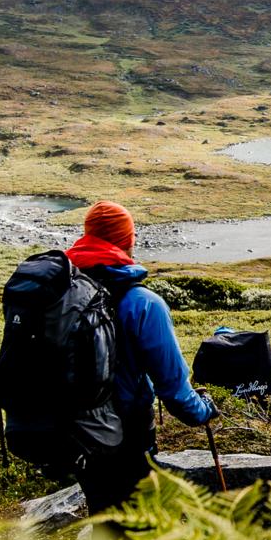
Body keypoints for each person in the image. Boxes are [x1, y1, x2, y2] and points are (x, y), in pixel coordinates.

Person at [65, 200, 216, 511]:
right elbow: (173, 390)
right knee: (137, 525)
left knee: (103, 513)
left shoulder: (62, 296)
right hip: (124, 435)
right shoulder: (143, 303)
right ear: (127, 240)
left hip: (70, 429)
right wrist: (204, 412)